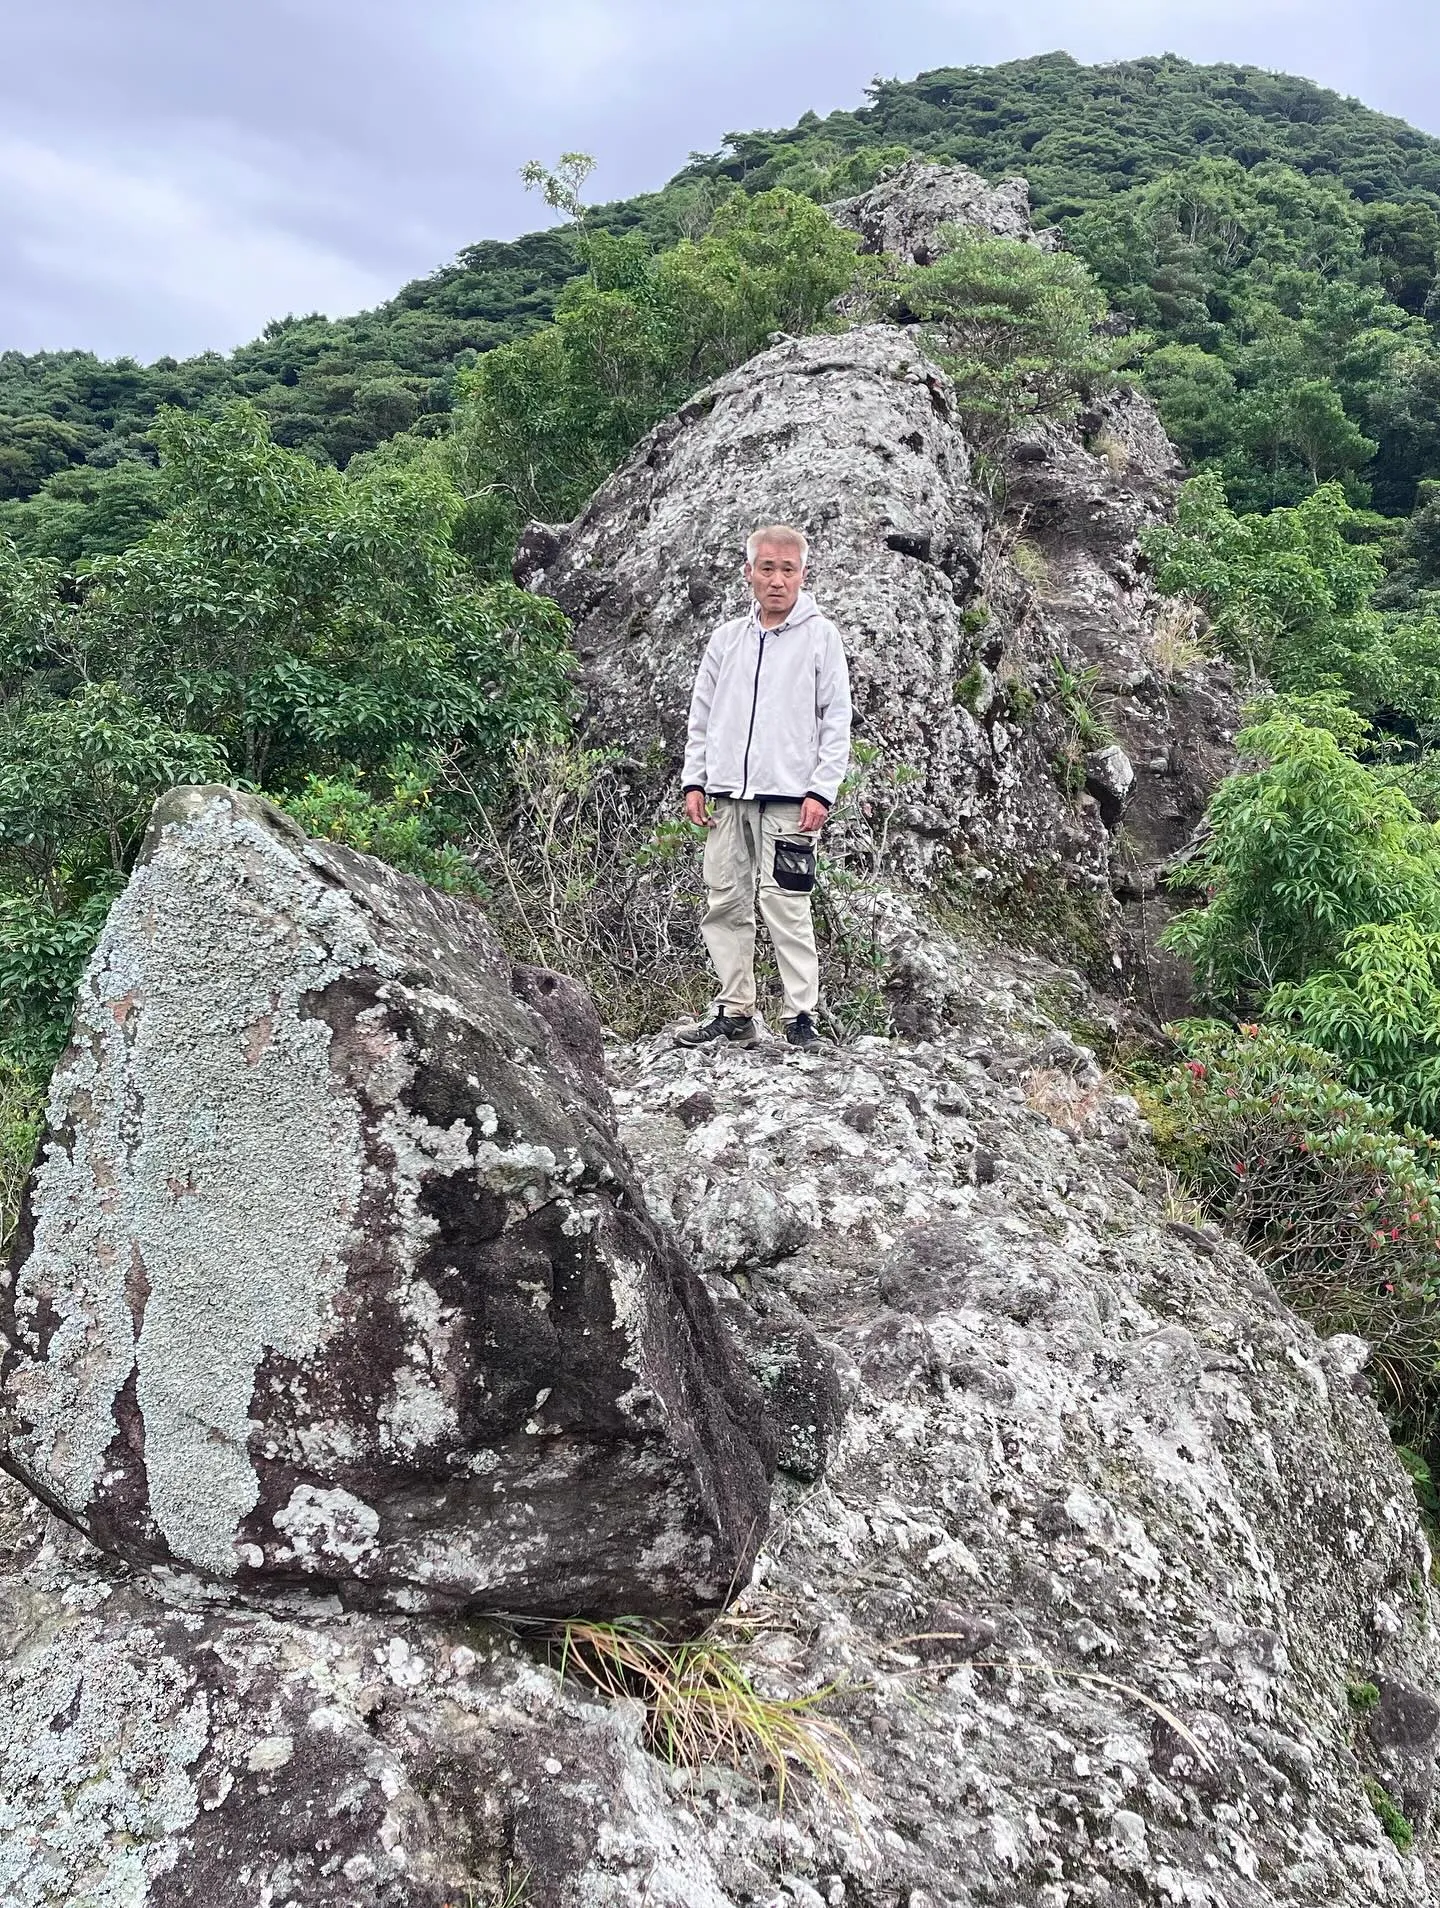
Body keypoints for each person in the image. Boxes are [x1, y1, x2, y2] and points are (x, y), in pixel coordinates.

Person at [676, 525, 852, 1052]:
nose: (777, 580)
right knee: (725, 901)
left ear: (802, 574)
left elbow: (836, 719)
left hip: (790, 800)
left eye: (788, 570)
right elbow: (702, 716)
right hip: (727, 794)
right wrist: (695, 779)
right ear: (748, 572)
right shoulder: (727, 639)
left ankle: (803, 1017)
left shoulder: (821, 637)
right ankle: (735, 1011)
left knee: (787, 905)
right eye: (767, 568)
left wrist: (822, 791)